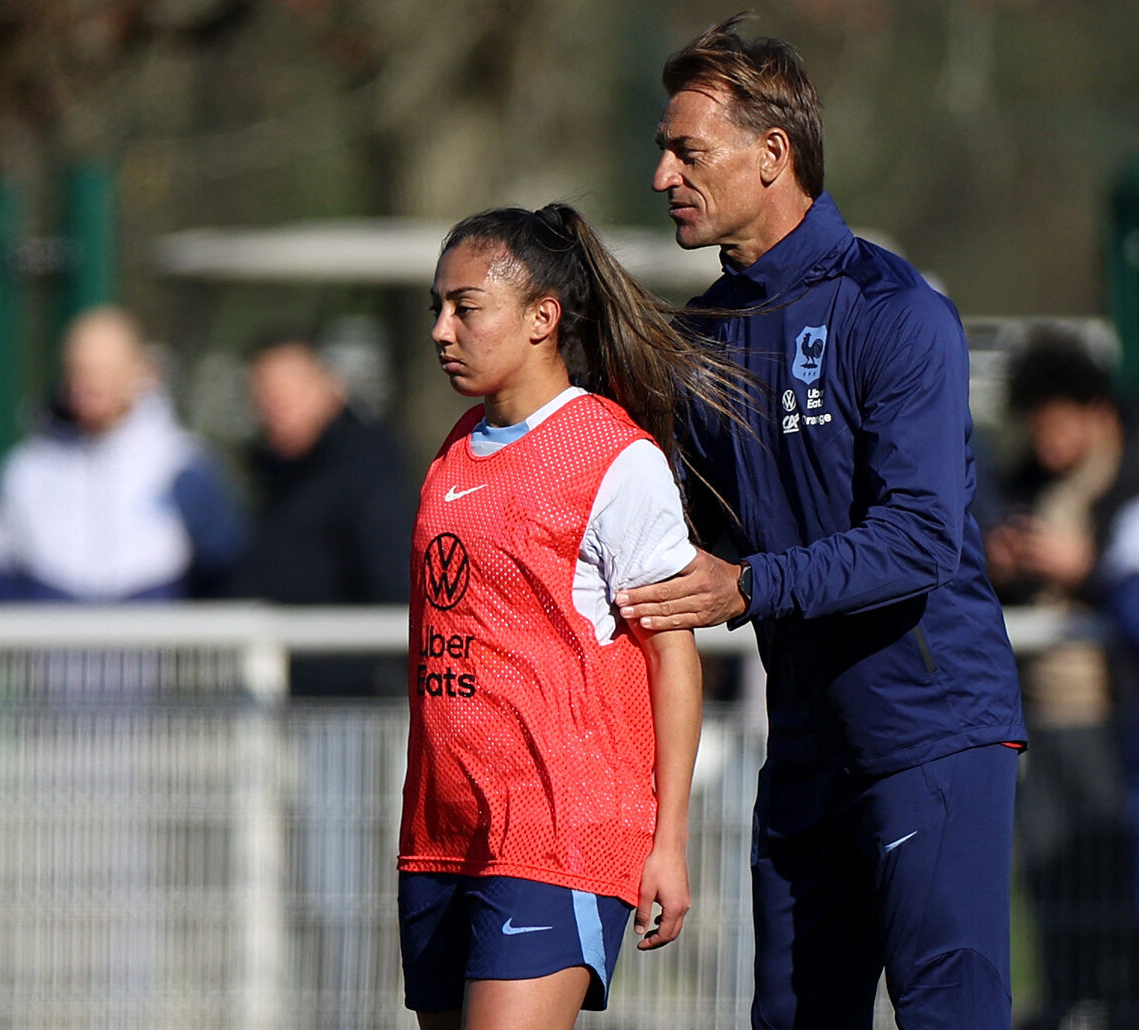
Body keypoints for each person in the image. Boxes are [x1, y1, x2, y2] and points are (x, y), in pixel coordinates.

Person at [613, 16, 1027, 1027]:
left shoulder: (892, 311)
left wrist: (749, 584)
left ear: (771, 155)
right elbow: (678, 528)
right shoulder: (698, 338)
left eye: (684, 150)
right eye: (661, 150)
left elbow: (920, 538)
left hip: (929, 737)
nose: (660, 173)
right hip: (800, 746)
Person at [402, 203, 731, 1028]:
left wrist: (668, 842)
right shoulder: (453, 448)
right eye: (437, 308)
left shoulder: (614, 457)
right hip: (443, 834)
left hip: (561, 831)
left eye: (465, 308)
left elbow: (673, 656)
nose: (442, 330)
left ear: (543, 317)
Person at [988, 333, 1139, 1030]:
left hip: (1114, 723)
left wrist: (1090, 569)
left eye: (1056, 424)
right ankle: (1065, 1001)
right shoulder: (1024, 484)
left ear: (1095, 412)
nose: (1045, 442)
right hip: (1042, 721)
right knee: (1049, 877)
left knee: (1110, 876)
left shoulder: (1126, 485)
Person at [0, 305, 244, 602]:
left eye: (104, 371)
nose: (88, 384)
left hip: (153, 645)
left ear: (140, 371)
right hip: (52, 645)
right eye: (78, 370)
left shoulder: (183, 465)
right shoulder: (26, 467)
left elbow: (222, 568)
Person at [228, 335, 413, 696]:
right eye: (264, 396)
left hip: (349, 695)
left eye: (288, 393)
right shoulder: (274, 473)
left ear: (329, 386)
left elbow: (392, 579)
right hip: (287, 684)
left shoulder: (367, 470)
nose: (275, 407)